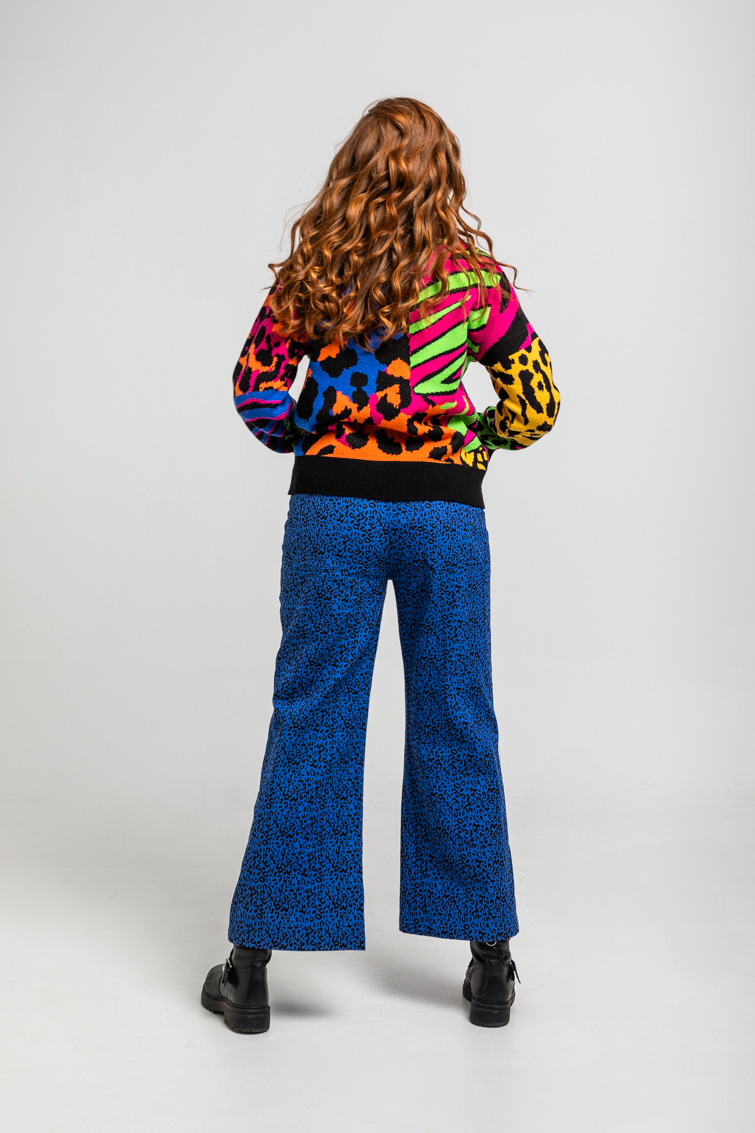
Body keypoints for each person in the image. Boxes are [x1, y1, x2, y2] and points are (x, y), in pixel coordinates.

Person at [201, 96, 560, 1034]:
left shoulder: (315, 272)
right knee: (457, 717)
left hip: (333, 513)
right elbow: (536, 399)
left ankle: (252, 968)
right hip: (446, 516)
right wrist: (472, 440)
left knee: (311, 715)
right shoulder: (474, 282)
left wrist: (321, 439)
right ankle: (489, 962)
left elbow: (255, 393)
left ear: (351, 169)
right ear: (444, 176)